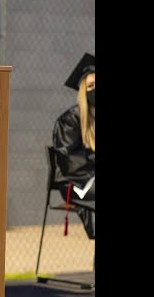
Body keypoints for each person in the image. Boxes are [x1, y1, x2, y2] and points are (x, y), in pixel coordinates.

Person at [52, 52, 95, 240]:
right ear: (83, 91)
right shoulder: (70, 120)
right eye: (91, 86)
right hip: (76, 181)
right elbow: (68, 160)